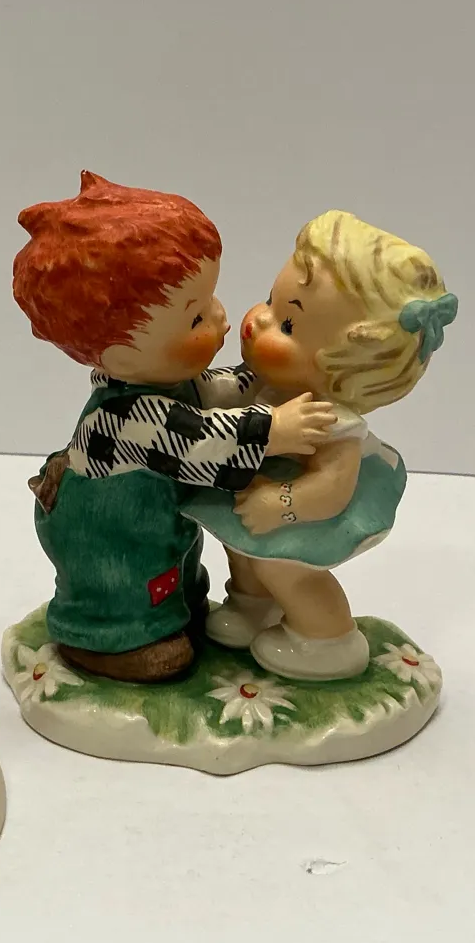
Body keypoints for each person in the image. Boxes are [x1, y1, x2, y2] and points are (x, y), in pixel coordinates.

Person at [12, 172, 336, 683]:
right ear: (123, 356)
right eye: (195, 319)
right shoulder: (124, 420)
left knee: (174, 569)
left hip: (155, 524)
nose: (221, 317)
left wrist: (260, 377)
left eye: (211, 299)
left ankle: (175, 610)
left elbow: (211, 392)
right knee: (126, 587)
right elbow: (199, 439)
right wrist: (273, 428)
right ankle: (106, 640)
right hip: (109, 540)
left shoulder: (162, 380)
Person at [186, 211, 457, 679]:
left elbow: (333, 487)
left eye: (288, 326)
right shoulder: (271, 383)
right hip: (255, 488)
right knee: (244, 552)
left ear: (343, 370)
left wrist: (283, 505)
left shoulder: (331, 423)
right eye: (270, 302)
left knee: (287, 569)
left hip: (305, 510)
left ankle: (327, 638)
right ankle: (252, 605)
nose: (258, 321)